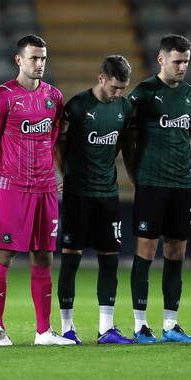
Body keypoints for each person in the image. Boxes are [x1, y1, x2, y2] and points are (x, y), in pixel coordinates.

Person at [0, 34, 74, 346]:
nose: (39, 64)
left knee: (44, 256)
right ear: (19, 60)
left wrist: (47, 170)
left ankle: (44, 332)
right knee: (4, 253)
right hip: (13, 187)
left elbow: (55, 135)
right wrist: (13, 167)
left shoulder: (55, 97)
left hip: (46, 187)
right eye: (33, 58)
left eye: (43, 59)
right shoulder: (2, 96)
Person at [122, 34, 191, 343]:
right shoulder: (143, 94)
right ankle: (140, 325)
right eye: (177, 61)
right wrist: (135, 176)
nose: (182, 67)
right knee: (145, 251)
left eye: (186, 62)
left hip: (181, 184)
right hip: (151, 183)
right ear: (161, 60)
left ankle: (170, 325)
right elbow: (128, 140)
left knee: (176, 251)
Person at [56, 55, 134, 345]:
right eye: (115, 87)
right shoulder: (77, 107)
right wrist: (64, 173)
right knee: (71, 260)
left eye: (122, 89)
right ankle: (67, 328)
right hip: (78, 194)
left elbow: (121, 143)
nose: (118, 94)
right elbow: (59, 144)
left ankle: (106, 329)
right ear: (101, 78)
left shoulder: (124, 108)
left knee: (110, 261)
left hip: (108, 194)